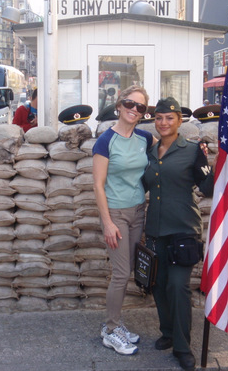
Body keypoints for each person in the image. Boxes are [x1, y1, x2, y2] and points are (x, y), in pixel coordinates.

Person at [143, 97, 214, 371]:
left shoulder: (193, 150)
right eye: (159, 118)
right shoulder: (149, 153)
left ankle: (183, 347)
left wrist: (208, 162)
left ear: (179, 121)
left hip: (183, 229)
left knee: (178, 286)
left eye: (169, 118)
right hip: (156, 229)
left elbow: (207, 188)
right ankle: (168, 332)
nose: (163, 123)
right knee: (158, 285)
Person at [92, 85, 157, 356]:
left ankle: (116, 325)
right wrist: (107, 222)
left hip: (138, 212)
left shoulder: (144, 138)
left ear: (143, 113)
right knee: (120, 274)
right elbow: (98, 185)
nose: (134, 110)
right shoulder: (106, 140)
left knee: (128, 270)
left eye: (140, 107)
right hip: (116, 214)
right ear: (119, 105)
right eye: (130, 104)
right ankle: (110, 330)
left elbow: (168, 148)